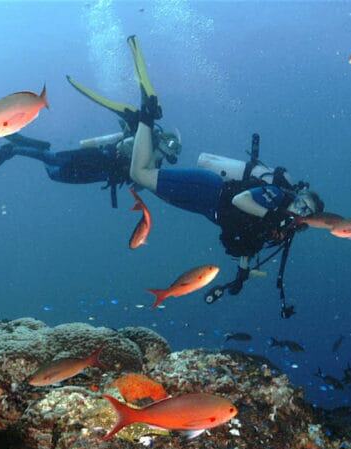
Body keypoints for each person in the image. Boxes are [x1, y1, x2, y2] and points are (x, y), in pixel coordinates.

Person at [125, 35, 324, 318]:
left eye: (306, 213)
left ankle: (144, 128)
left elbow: (250, 242)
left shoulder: (281, 226)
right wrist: (270, 217)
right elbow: (243, 200)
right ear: (299, 197)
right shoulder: (278, 197)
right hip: (209, 190)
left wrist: (240, 276)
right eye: (303, 204)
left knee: (147, 179)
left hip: (205, 206)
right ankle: (147, 113)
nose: (300, 211)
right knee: (140, 174)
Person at [0, 76, 181, 209]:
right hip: (99, 166)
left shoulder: (145, 141)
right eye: (170, 147)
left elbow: (129, 158)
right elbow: (138, 181)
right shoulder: (149, 153)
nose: (168, 153)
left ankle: (23, 148)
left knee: (54, 160)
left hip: (98, 158)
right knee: (54, 169)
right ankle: (17, 149)